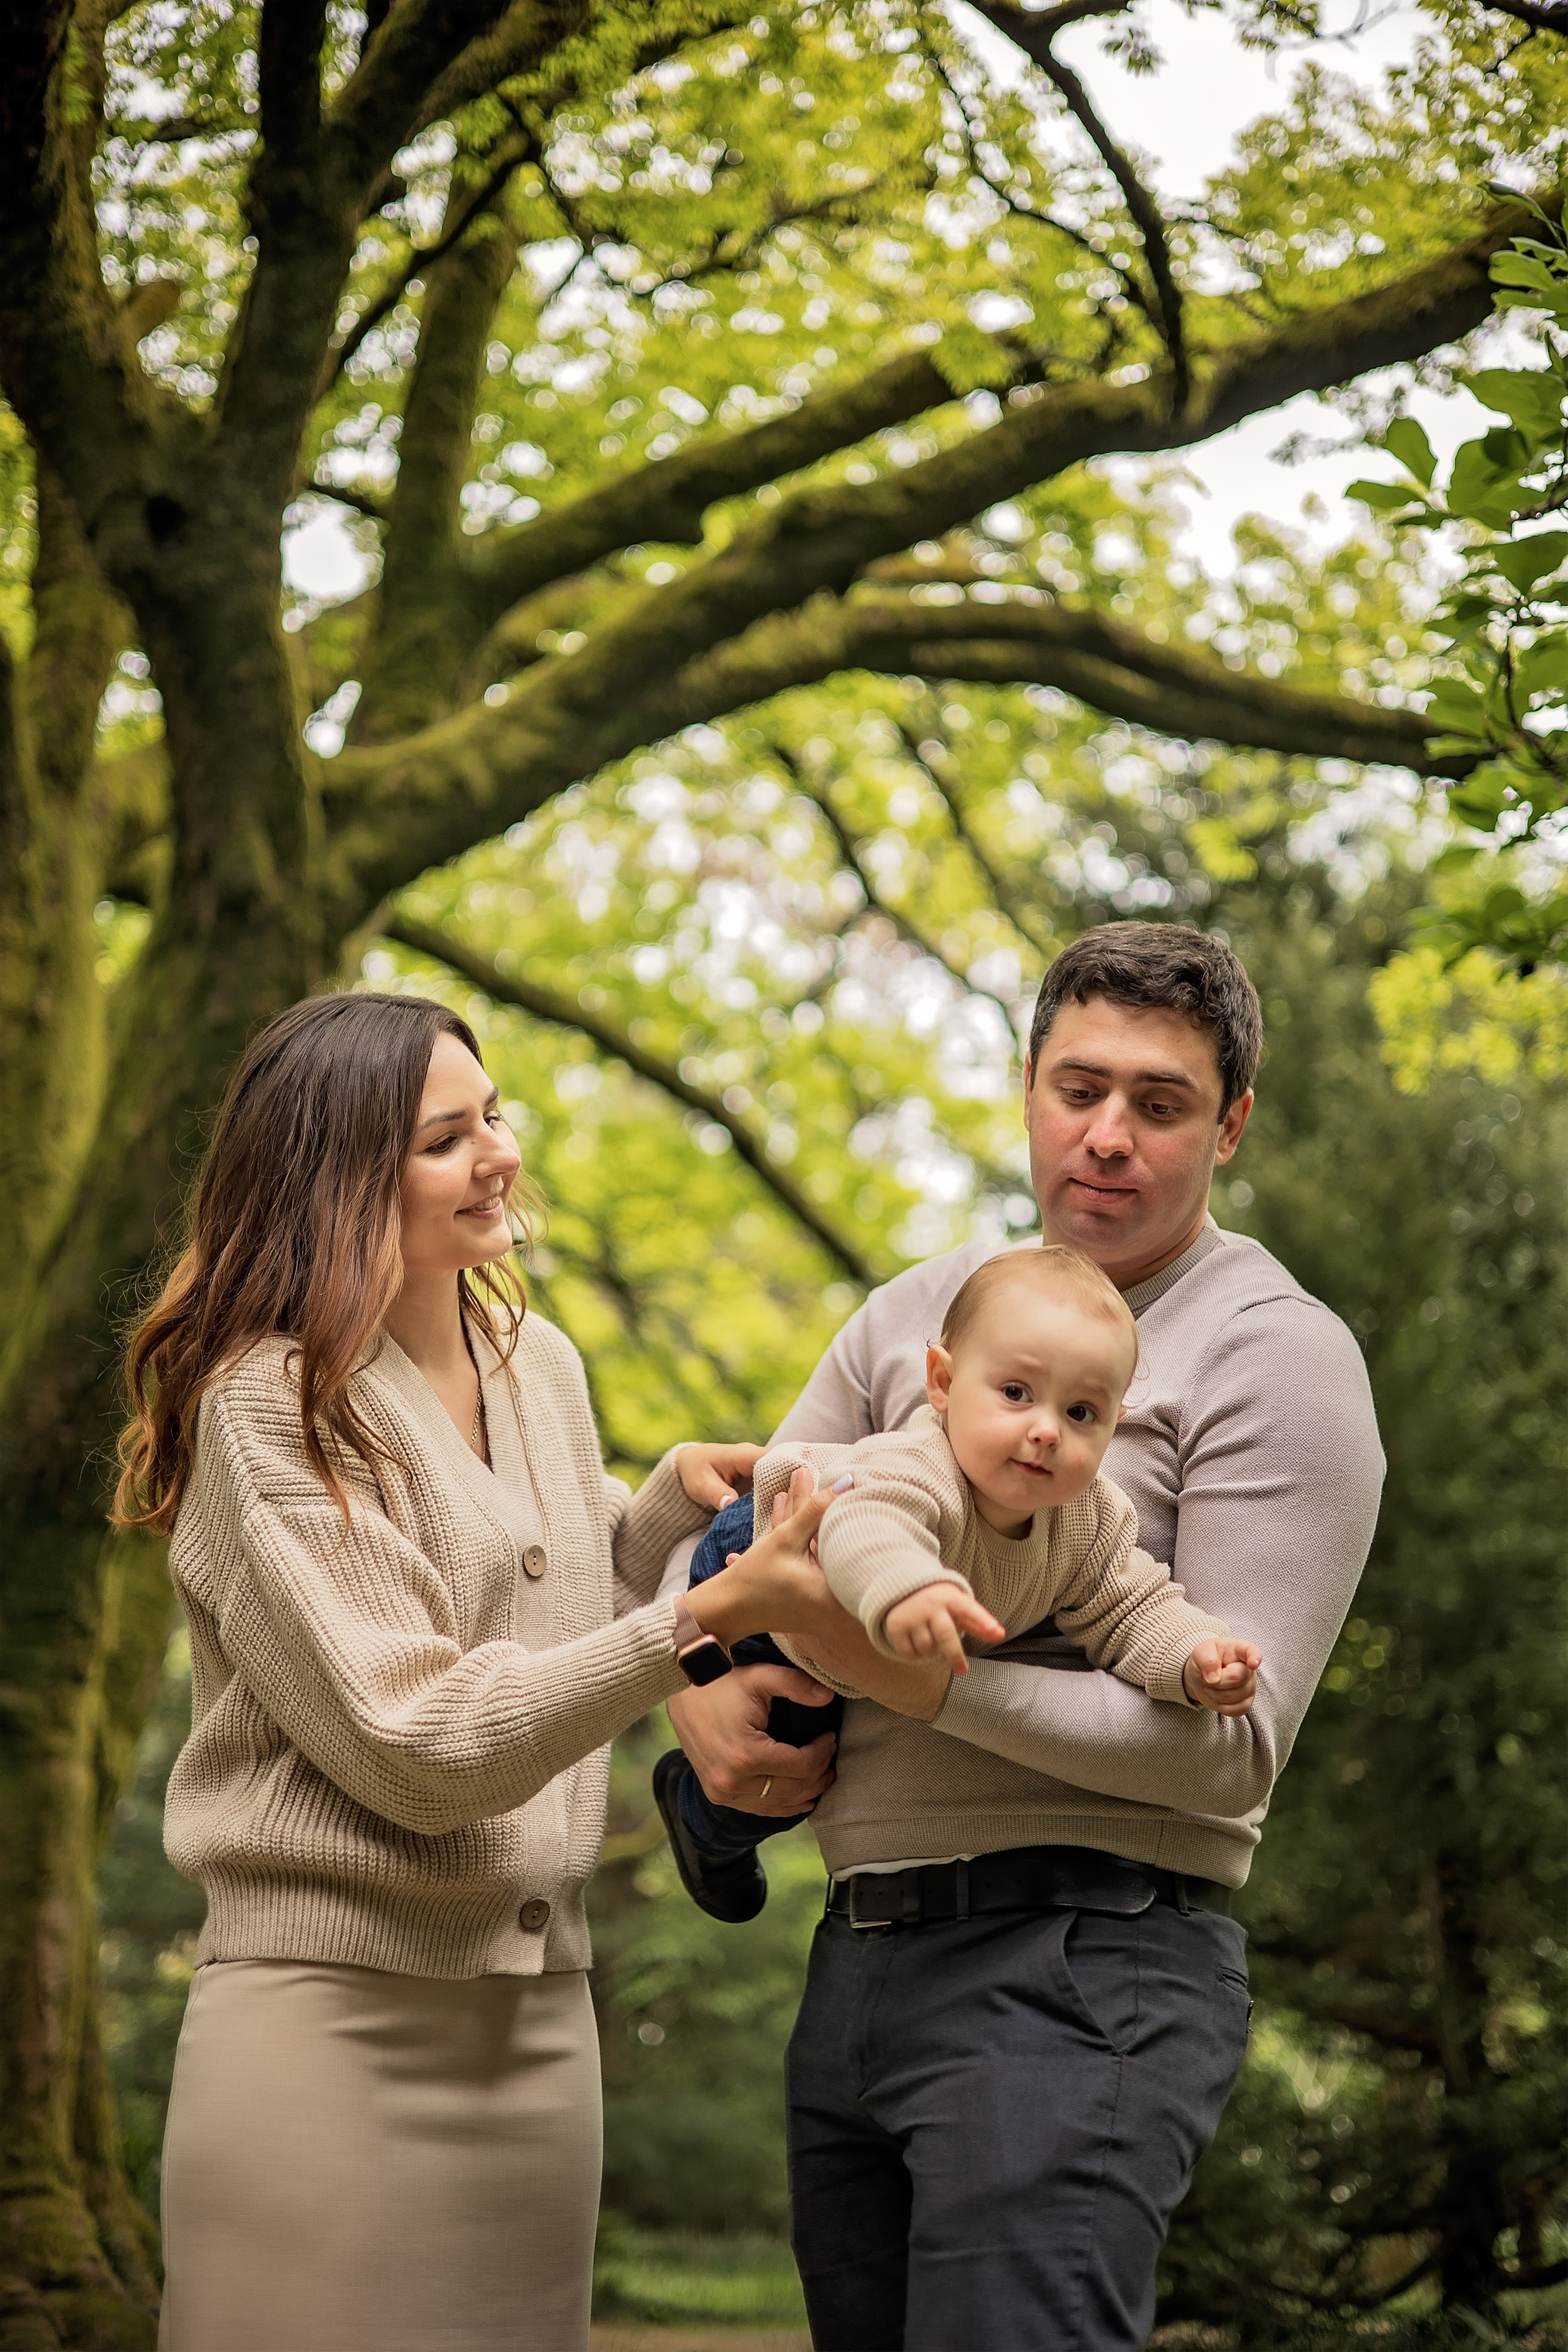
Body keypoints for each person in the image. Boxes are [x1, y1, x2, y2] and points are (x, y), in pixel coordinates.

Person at [663, 921, 1386, 2352]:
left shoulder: (1273, 1354)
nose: (1106, 1135)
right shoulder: (913, 1318)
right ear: (1024, 1088)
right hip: (858, 1956)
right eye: (1077, 1088)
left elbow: (1228, 1755)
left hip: (1076, 1970)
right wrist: (694, 1693)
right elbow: (757, 1529)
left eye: (1159, 1103)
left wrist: (903, 1673)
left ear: (1228, 1122)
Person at [115, 992, 851, 2352]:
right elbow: (420, 1740)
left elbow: (537, 1607)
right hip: (327, 2034)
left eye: (493, 1114)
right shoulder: (269, 1405)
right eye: (447, 1139)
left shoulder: (539, 1367)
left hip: (536, 2035)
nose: (499, 1153)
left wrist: (653, 1526)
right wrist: (692, 1616)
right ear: (340, 1183)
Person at [660, 1243, 1261, 1901]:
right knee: (778, 1762)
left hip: (852, 1621)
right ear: (943, 1383)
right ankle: (701, 1822)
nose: (1045, 1431)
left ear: (1114, 1425)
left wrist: (1194, 1658)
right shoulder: (920, 1465)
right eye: (1015, 1393)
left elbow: (1130, 1607)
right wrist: (911, 1589)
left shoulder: (1089, 1521)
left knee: (814, 1762)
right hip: (760, 1560)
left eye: (1080, 1412)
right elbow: (866, 1528)